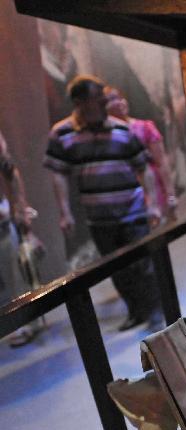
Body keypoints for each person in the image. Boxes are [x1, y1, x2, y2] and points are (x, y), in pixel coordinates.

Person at [45, 75, 161, 332]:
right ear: (80, 102)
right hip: (99, 217)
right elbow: (58, 173)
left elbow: (144, 168)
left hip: (132, 210)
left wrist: (152, 203)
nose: (104, 103)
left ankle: (155, 312)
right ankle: (136, 311)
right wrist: (65, 212)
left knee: (144, 264)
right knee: (117, 269)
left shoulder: (122, 130)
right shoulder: (62, 134)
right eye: (98, 99)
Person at [104, 86, 177, 222]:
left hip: (155, 192)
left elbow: (161, 162)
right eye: (111, 100)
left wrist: (170, 195)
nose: (119, 103)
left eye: (119, 98)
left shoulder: (145, 128)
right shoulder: (106, 137)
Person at [0, 130, 41, 346]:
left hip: (4, 225)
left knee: (17, 277)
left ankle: (26, 324)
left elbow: (10, 171)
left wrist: (21, 210)